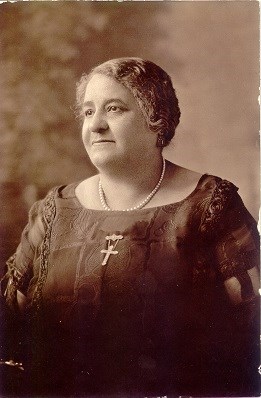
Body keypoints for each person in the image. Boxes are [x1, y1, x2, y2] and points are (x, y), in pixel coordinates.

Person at [1, 57, 260, 397]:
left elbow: (252, 334)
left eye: (114, 109)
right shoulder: (54, 210)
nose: (96, 125)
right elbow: (9, 324)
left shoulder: (211, 206)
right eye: (88, 111)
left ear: (157, 121)